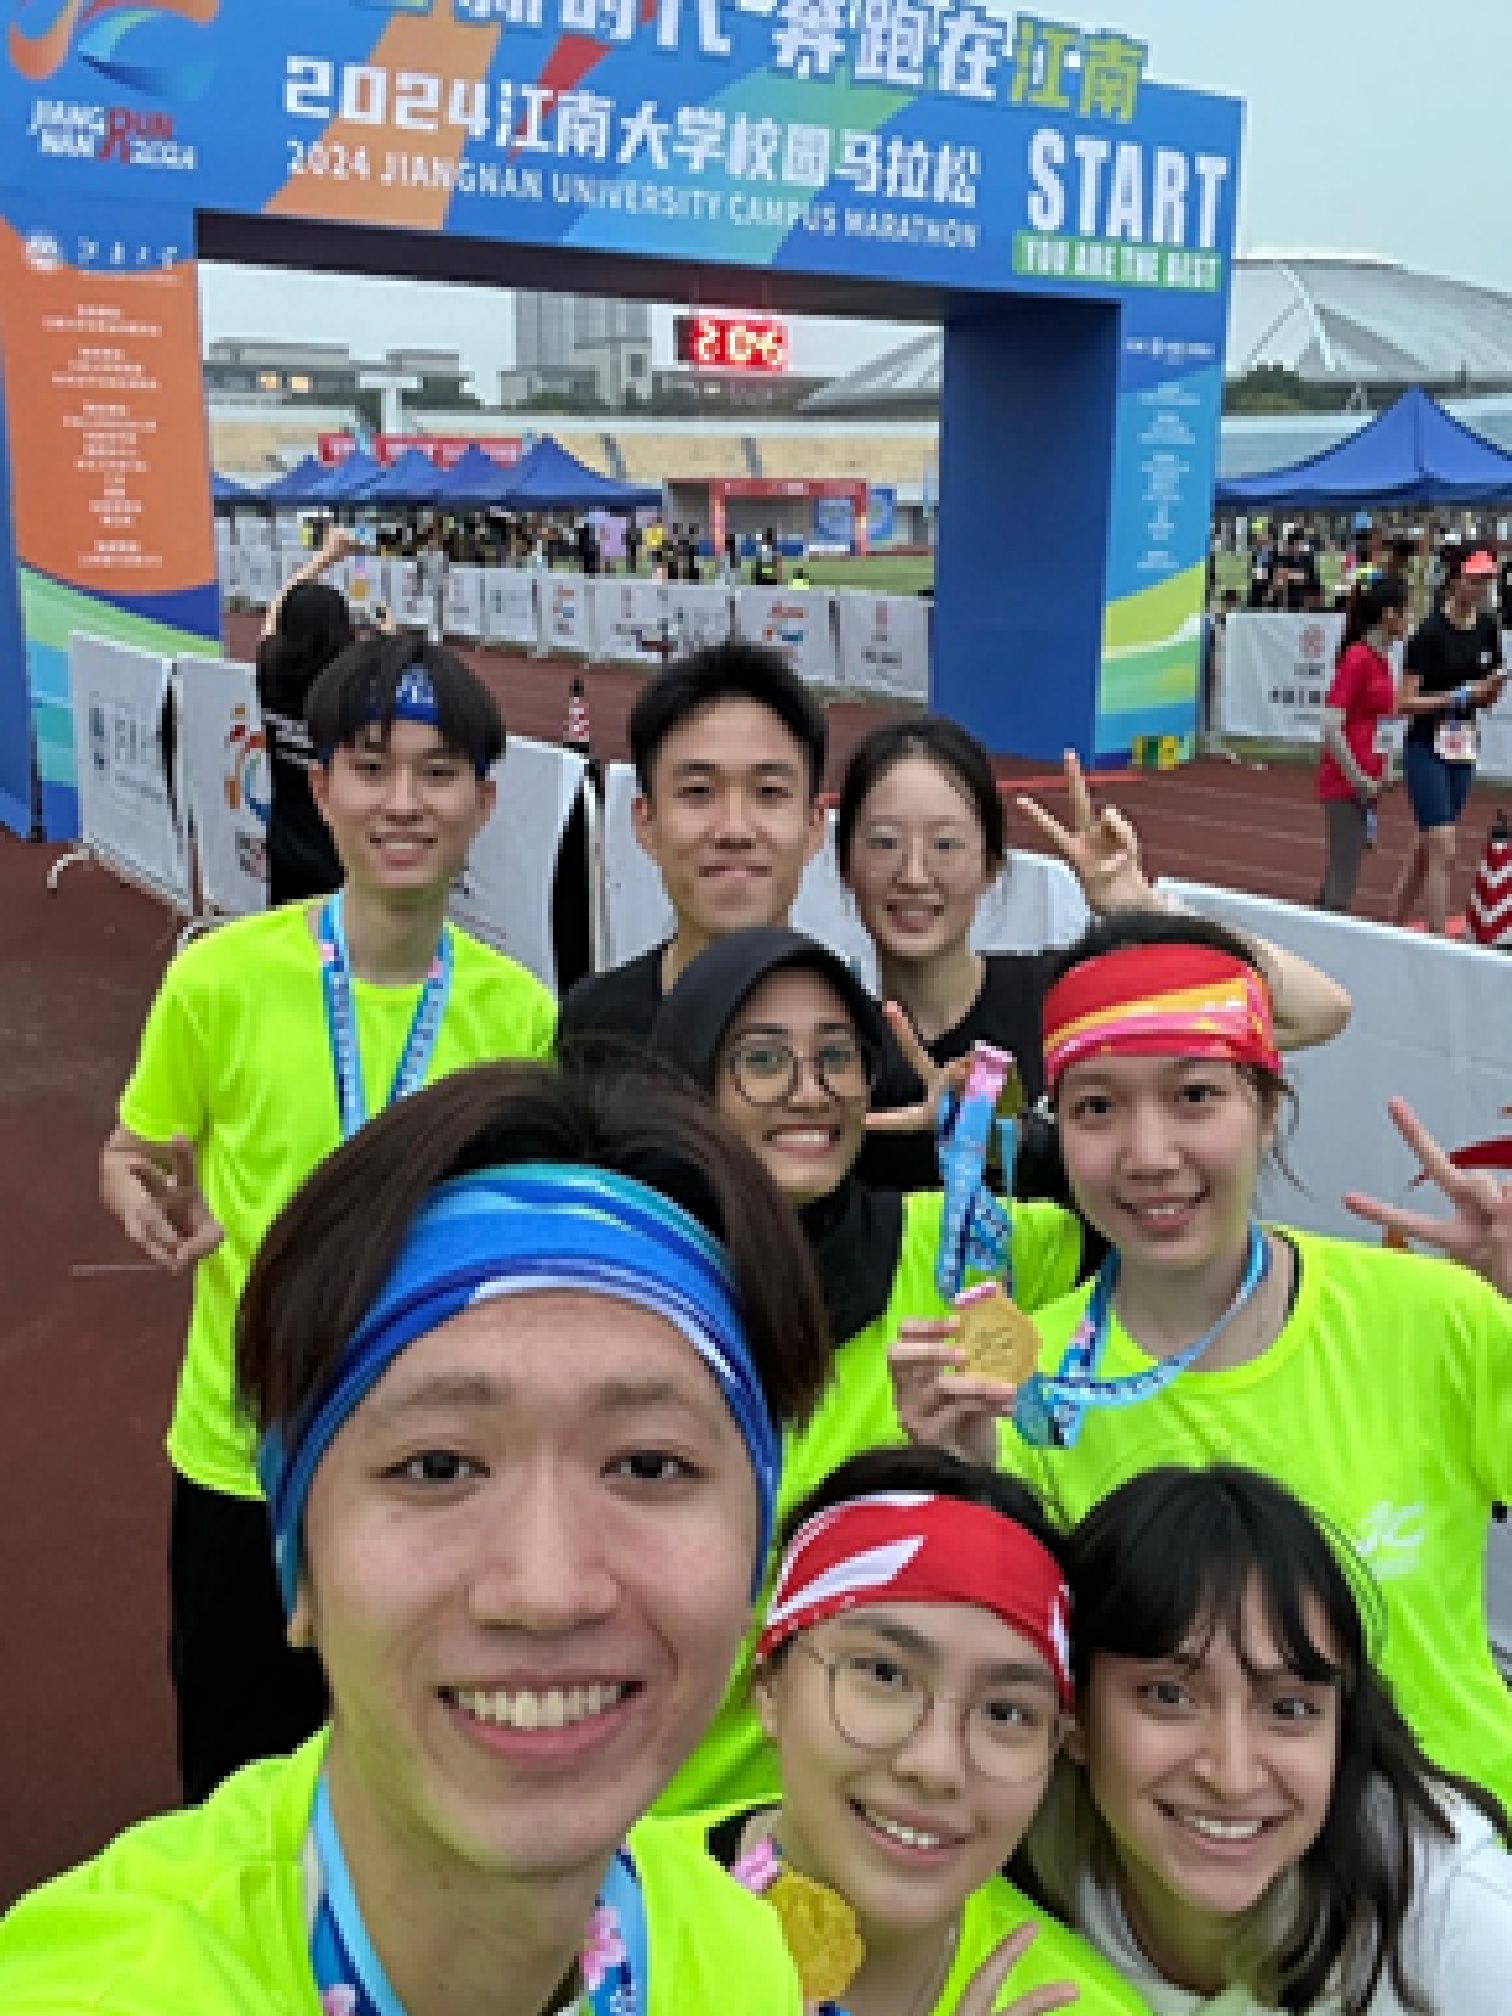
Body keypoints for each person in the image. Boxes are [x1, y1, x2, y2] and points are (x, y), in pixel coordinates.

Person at [2, 1060, 831, 2016]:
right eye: (438, 1467)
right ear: (298, 1562)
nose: (546, 1589)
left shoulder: (740, 1962)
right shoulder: (101, 1992)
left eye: (648, 1466)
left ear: (756, 1560)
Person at [889, 909, 1512, 1810]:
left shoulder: (1436, 1318)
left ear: (1267, 1109)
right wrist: (962, 1489)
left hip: (1456, 1866)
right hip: (1179, 1889)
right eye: (1098, 1107)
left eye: (1194, 1097)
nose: (1150, 1157)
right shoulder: (1016, 1383)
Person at [99, 636, 558, 1803]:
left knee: (419, 1783)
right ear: (321, 789)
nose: (403, 802)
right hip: (243, 1459)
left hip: (430, 1475)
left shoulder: (519, 1018)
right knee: (238, 1782)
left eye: (438, 772)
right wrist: (132, 1185)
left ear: (485, 801)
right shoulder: (218, 983)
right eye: (371, 767)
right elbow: (136, 1147)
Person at [648, 926, 1086, 1815]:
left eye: (837, 1058)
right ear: (691, 1086)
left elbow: (1154, 1217)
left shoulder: (956, 1248)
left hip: (886, 1819)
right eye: (762, 1061)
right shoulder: (629, 1291)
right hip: (659, 1836)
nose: (809, 1094)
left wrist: (1011, 1133)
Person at [1027, 1464, 1512, 2014]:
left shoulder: (1451, 1919)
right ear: (1073, 1714)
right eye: (1169, 1697)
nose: (1232, 1778)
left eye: (1288, 1708)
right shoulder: (1000, 1869)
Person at [695, 1445, 1154, 2016]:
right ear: (769, 1686)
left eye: (1006, 1713)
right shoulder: (600, 1915)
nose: (936, 1766)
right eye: (885, 1674)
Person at [839, 720, 1352, 1196]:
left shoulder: (1069, 1001)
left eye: (946, 845)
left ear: (990, 865)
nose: (912, 873)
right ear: (845, 862)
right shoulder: (825, 1033)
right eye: (884, 842)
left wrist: (1142, 908)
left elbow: (1319, 1010)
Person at [557, 641, 827, 1047]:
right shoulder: (592, 1028)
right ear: (645, 823)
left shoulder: (867, 1039)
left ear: (814, 826)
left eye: (769, 792)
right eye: (698, 791)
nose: (734, 830)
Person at [1389, 543, 1507, 934]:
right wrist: (1459, 696)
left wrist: (1491, 689)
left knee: (1428, 845)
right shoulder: (1427, 635)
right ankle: (1437, 941)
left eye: (1486, 581)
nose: (1480, 589)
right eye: (1474, 581)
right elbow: (1404, 702)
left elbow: (1487, 700)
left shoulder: (1489, 629)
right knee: (1445, 847)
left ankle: (1392, 924)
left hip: (1462, 746)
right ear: (1454, 580)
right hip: (1425, 747)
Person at [254, 526, 357, 905]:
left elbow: (275, 613)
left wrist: (324, 558)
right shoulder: (351, 690)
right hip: (340, 854)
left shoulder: (270, 675)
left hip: (286, 843)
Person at [1316, 571, 1407, 913]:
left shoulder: (1381, 660)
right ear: (1388, 615)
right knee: (1344, 877)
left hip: (1364, 781)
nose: (1409, 620)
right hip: (1345, 783)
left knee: (1339, 874)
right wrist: (1358, 778)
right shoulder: (1357, 659)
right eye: (1405, 611)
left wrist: (1385, 770)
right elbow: (1331, 724)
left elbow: (1380, 723)